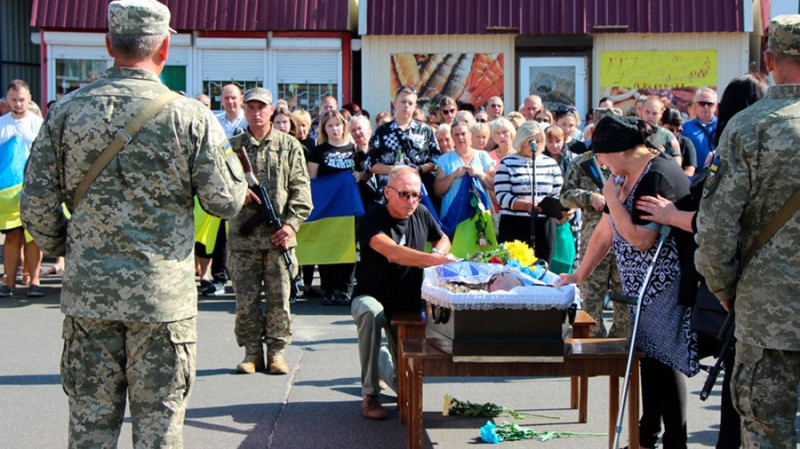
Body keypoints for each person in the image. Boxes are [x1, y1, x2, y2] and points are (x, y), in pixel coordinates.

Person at [19, 1, 248, 446]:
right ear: (165, 47)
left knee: (89, 430)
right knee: (160, 432)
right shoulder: (191, 116)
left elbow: (36, 204)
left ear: (109, 44)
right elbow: (225, 201)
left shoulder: (65, 112)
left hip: (89, 298)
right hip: (162, 302)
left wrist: (71, 248)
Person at [558, 115, 699, 449]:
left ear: (616, 150)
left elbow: (640, 239)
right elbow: (606, 232)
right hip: (640, 288)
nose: (601, 164)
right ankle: (646, 436)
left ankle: (674, 441)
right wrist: (580, 273)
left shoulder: (658, 174)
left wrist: (613, 199)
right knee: (649, 362)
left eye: (601, 156)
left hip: (664, 283)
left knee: (664, 364)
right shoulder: (625, 176)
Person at [695, 15, 800, 448]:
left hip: (767, 312)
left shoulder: (747, 127)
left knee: (766, 432)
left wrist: (724, 288)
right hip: (766, 308)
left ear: (769, 59)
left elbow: (716, 230)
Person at [351, 165, 456, 420]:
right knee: (371, 313)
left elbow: (442, 238)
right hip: (370, 296)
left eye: (416, 195)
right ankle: (370, 394)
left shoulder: (421, 212)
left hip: (406, 305)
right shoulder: (371, 220)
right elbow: (393, 253)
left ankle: (381, 361)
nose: (411, 201)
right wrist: (433, 262)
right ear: (388, 192)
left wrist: (438, 253)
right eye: (405, 195)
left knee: (407, 393)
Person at [228, 87, 312, 375]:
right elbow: (219, 189)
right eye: (250, 107)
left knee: (279, 300)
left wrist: (290, 226)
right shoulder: (231, 146)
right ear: (244, 110)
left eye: (261, 107)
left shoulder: (289, 146)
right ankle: (252, 352)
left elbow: (302, 192)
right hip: (243, 240)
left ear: (271, 111)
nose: (256, 112)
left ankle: (276, 352)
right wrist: (242, 194)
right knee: (246, 301)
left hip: (279, 239)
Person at [308, 110, 364, 306]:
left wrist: (360, 176)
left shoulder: (354, 149)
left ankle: (345, 290)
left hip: (349, 209)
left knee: (347, 248)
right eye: (330, 125)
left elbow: (366, 172)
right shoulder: (318, 151)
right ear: (324, 128)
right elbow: (312, 181)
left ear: (344, 126)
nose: (335, 129)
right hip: (327, 209)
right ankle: (329, 290)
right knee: (328, 247)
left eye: (338, 125)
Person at [494, 121, 562, 264]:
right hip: (515, 224)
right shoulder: (507, 163)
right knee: (515, 270)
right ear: (521, 140)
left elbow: (558, 192)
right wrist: (525, 205)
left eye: (538, 141)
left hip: (544, 224)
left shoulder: (550, 163)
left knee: (541, 268)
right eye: (531, 141)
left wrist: (559, 208)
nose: (534, 145)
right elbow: (502, 196)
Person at [0, 79, 45, 298]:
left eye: (22, 99)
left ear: (29, 99)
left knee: (33, 237)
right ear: (7, 100)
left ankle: (34, 282)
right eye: (13, 100)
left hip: (34, 187)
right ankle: (9, 283)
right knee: (12, 237)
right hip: (8, 192)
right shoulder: (2, 124)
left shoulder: (38, 123)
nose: (18, 104)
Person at [366, 86, 440, 205]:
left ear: (415, 106)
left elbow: (436, 160)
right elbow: (370, 164)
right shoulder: (382, 131)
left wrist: (420, 168)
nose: (406, 106)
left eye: (410, 103)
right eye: (403, 101)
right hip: (389, 197)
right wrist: (393, 170)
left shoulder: (426, 131)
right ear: (395, 104)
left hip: (419, 196)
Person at [434, 121, 495, 218]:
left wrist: (480, 174)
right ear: (452, 138)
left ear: (470, 135)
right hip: (453, 215)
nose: (460, 138)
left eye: (463, 134)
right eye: (456, 135)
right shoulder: (445, 159)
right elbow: (437, 190)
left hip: (480, 215)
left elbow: (493, 185)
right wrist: (453, 175)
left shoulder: (483, 156)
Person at [681, 87, 718, 170]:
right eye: (702, 103)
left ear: (715, 106)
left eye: (709, 104)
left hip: (717, 177)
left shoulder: (722, 126)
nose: (706, 107)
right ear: (696, 106)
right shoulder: (685, 128)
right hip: (694, 177)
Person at [660, 108, 697, 177]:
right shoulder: (652, 139)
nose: (675, 133)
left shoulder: (686, 143)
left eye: (679, 130)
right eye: (671, 130)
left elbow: (690, 170)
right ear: (661, 124)